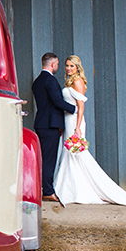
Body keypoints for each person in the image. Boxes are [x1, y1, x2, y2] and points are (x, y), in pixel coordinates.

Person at [54, 55, 126, 206]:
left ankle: (77, 189)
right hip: (67, 120)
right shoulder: (70, 82)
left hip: (75, 121)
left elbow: (81, 106)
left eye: (72, 66)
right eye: (67, 65)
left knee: (75, 154)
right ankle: (69, 187)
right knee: (68, 153)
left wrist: (77, 127)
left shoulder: (78, 81)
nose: (69, 68)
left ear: (78, 68)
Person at [32, 52, 76, 203]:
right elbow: (57, 101)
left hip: (41, 123)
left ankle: (41, 188)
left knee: (42, 159)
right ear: (52, 64)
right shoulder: (50, 80)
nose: (58, 66)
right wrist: (75, 109)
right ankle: (48, 191)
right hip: (50, 125)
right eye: (57, 64)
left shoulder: (37, 81)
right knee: (49, 159)